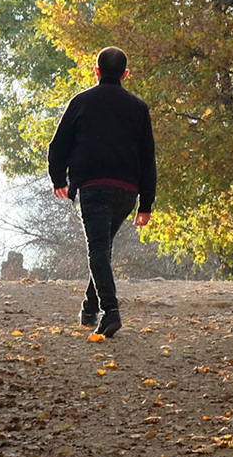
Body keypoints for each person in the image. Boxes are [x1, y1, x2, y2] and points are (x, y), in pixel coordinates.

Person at [47, 46, 157, 338]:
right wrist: (146, 204)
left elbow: (57, 146)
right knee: (102, 247)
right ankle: (89, 307)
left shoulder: (81, 102)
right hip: (127, 191)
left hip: (93, 187)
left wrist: (59, 179)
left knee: (97, 248)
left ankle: (110, 311)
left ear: (96, 71)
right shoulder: (139, 108)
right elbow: (148, 159)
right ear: (125, 74)